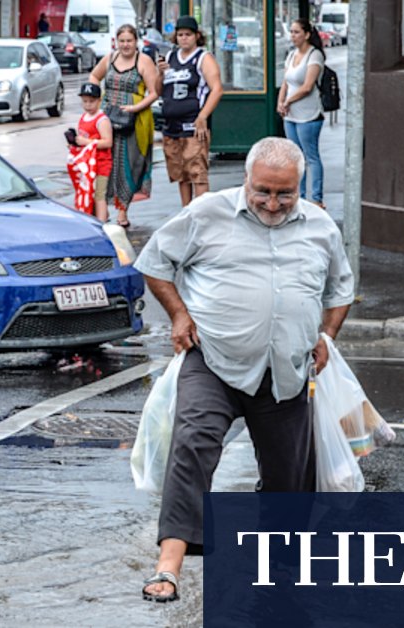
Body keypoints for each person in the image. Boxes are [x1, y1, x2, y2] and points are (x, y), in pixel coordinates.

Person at [133, 137, 355, 603]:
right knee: (192, 445)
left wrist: (327, 336)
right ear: (247, 180)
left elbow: (340, 289)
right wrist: (178, 314)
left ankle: (278, 565)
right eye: (263, 191)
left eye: (284, 194)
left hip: (286, 371)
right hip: (213, 359)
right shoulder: (207, 213)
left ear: (299, 186)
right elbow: (155, 261)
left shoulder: (320, 226)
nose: (272, 203)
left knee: (288, 479)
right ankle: (168, 566)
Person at [88, 24, 159, 227]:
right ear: (116, 42)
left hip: (133, 122)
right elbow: (94, 76)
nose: (125, 45)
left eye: (129, 40)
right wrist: (96, 99)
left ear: (136, 41)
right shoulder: (110, 58)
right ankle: (101, 209)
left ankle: (122, 211)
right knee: (104, 164)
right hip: (108, 120)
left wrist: (136, 108)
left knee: (128, 165)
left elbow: (154, 92)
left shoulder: (144, 61)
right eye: (122, 41)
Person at [156, 15, 223, 207]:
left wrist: (203, 116)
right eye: (180, 35)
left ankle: (202, 214)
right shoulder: (169, 57)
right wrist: (160, 73)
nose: (184, 38)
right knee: (181, 174)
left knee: (197, 172)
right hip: (171, 125)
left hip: (193, 124)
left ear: (196, 36)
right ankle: (186, 212)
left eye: (188, 34)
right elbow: (158, 90)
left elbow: (217, 89)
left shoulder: (203, 58)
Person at [277, 18, 326, 208]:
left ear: (306, 34)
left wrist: (288, 101)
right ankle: (299, 195)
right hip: (290, 115)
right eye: (291, 32)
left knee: (310, 156)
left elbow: (307, 86)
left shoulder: (315, 56)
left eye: (296, 32)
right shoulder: (291, 55)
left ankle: (316, 198)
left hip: (308, 114)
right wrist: (280, 102)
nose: (293, 36)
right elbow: (286, 82)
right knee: (295, 157)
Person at [69, 82, 113, 221]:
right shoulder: (84, 117)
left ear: (99, 101)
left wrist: (87, 143)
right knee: (88, 193)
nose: (88, 105)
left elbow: (108, 141)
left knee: (99, 194)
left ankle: (101, 223)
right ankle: (101, 215)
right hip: (87, 164)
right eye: (85, 101)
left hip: (101, 164)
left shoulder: (102, 120)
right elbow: (83, 139)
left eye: (92, 101)